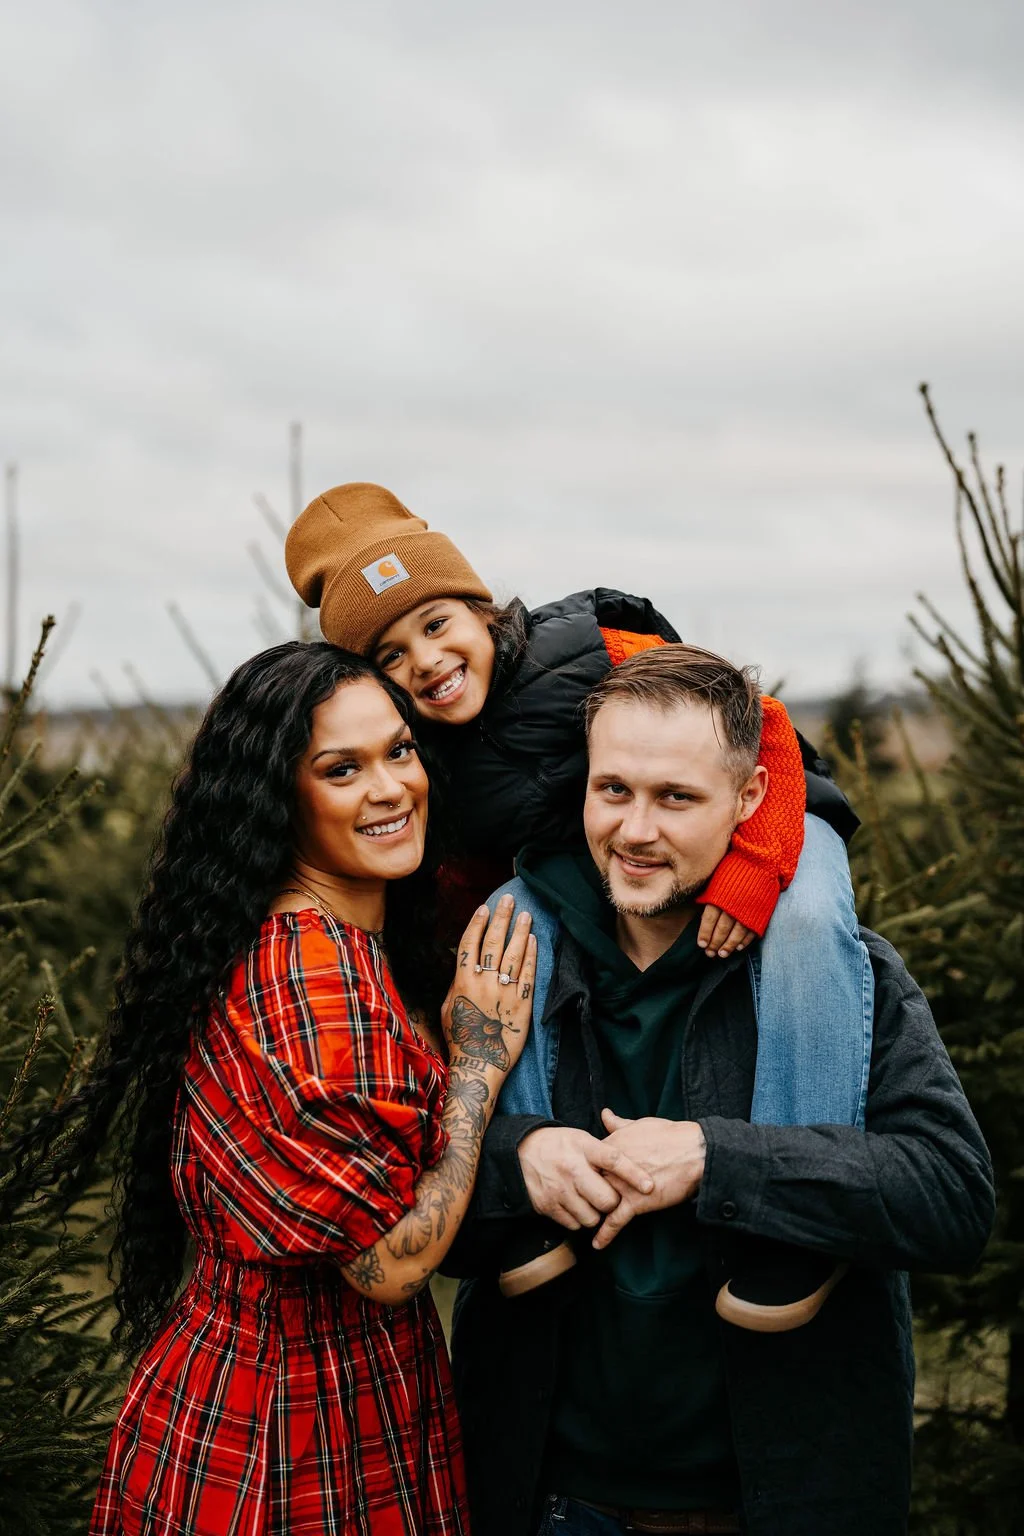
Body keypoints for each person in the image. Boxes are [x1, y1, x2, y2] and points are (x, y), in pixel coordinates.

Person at [445, 642, 994, 1536]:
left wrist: (713, 1158)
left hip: (776, 1500)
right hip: (550, 1496)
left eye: (676, 799)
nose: (634, 830)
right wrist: (517, 1158)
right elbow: (404, 1219)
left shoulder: (843, 981)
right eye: (613, 790)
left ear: (746, 801)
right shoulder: (509, 962)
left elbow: (950, 1197)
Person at [284, 482, 870, 1318]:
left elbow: (764, 723)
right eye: (391, 656)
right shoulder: (427, 757)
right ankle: (532, 1195)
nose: (426, 660)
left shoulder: (587, 643)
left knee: (809, 919)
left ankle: (796, 1212)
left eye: (437, 623)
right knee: (507, 927)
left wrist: (753, 868)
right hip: (614, 867)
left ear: (480, 607)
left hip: (769, 820)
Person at [9, 642, 536, 1536]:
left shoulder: (313, 939)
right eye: (342, 769)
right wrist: (479, 1063)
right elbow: (389, 1264)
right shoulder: (312, 982)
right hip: (293, 1436)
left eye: (399, 751)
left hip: (293, 1391)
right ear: (278, 799)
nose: (390, 788)